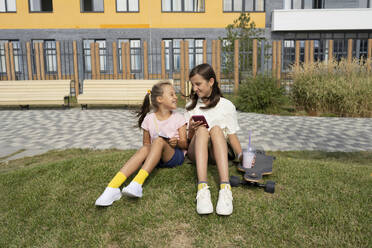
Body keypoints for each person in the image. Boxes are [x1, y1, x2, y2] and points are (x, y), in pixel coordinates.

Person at [95, 81, 187, 206]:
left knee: (159, 140)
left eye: (174, 94)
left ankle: (137, 183)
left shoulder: (179, 118)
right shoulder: (149, 119)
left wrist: (176, 142)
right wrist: (152, 149)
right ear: (160, 99)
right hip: (155, 157)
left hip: (174, 155)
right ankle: (112, 187)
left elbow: (184, 145)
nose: (176, 97)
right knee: (144, 149)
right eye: (172, 94)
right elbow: (146, 144)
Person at [185, 63, 242, 216]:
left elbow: (232, 135)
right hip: (196, 151)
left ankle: (225, 188)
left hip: (216, 153)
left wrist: (242, 155)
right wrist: (191, 129)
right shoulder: (191, 106)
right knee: (203, 130)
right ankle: (202, 188)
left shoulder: (227, 106)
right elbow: (188, 140)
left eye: (198, 84)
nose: (195, 88)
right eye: (193, 85)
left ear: (211, 82)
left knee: (216, 129)